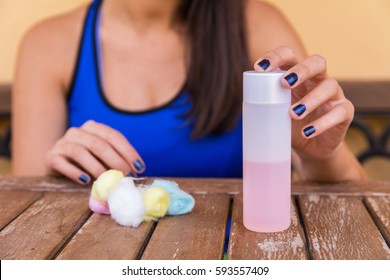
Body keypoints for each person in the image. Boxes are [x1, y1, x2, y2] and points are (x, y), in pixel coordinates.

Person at [12, 0, 367, 184]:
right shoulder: (48, 44)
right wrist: (58, 176)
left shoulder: (256, 24)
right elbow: (28, 218)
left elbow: (353, 198)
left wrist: (320, 156)